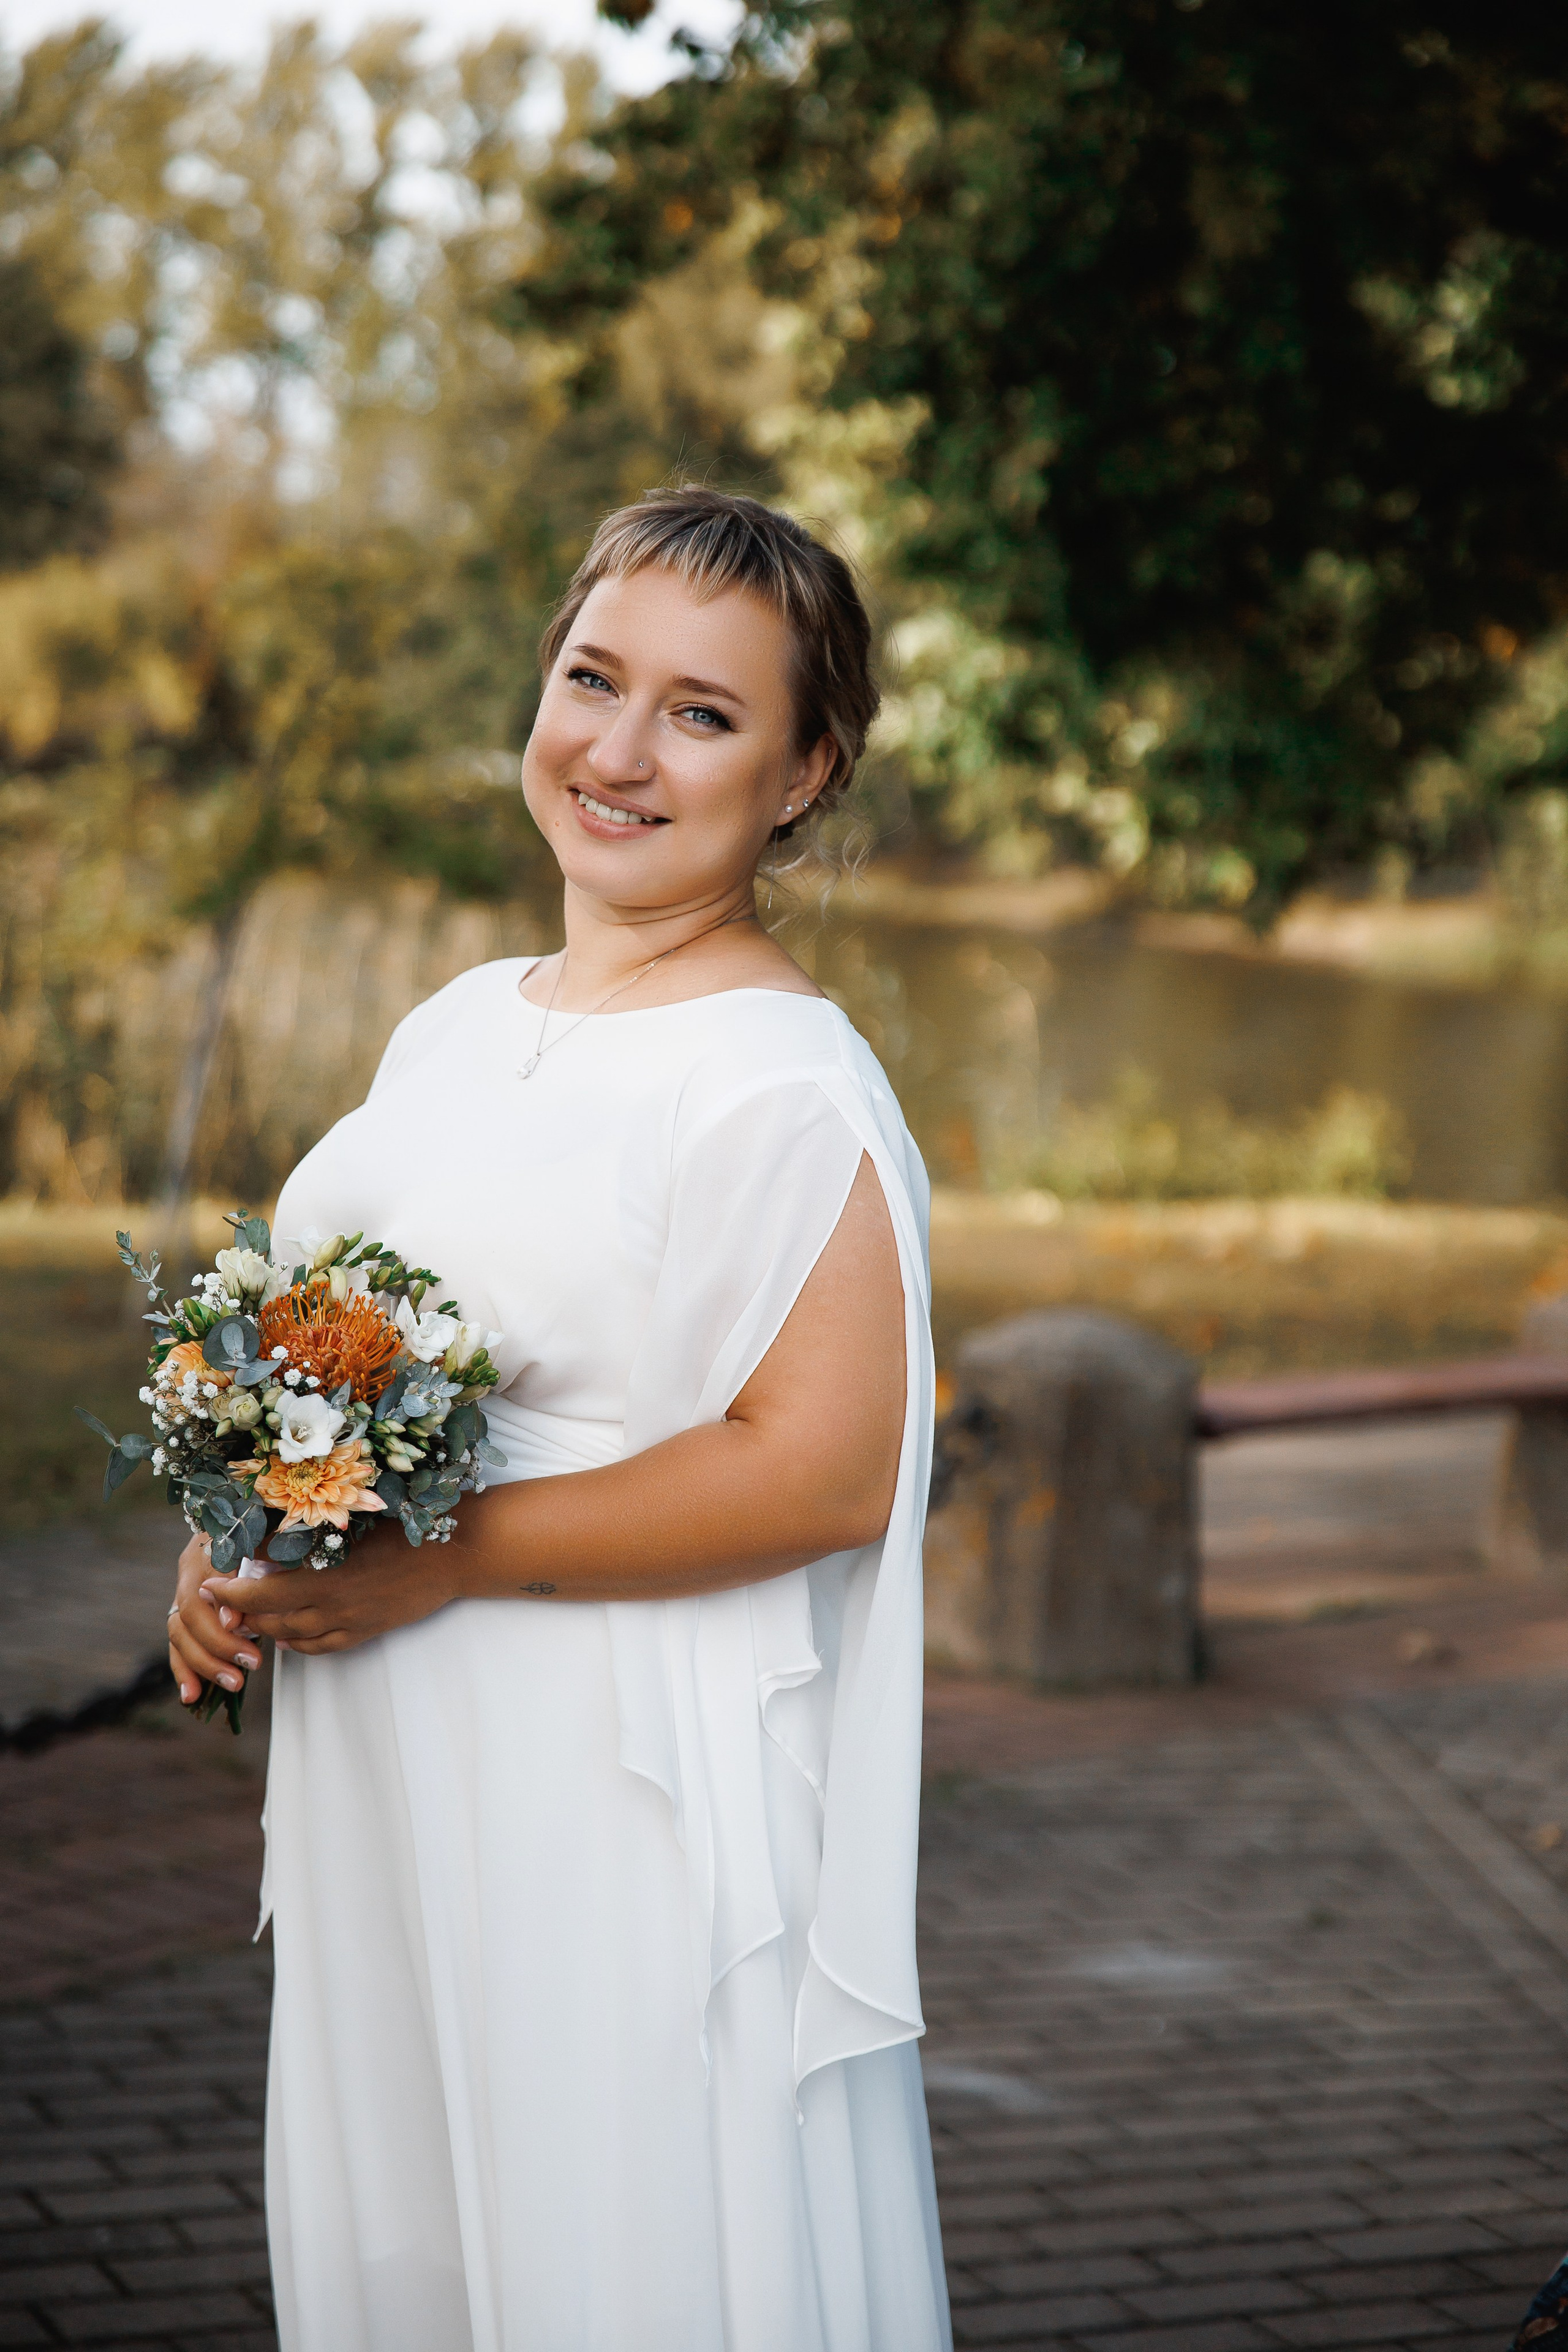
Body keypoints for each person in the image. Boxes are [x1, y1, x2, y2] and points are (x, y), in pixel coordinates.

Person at [167, 485, 953, 2352]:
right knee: (420, 2248)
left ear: (805, 771)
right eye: (593, 679)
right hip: (391, 1777)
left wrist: (441, 1568)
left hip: (609, 1798)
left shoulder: (784, 1084)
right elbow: (362, 1357)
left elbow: (825, 1469)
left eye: (701, 713)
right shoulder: (452, 1024)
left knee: (608, 2253)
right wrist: (242, 1542)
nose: (615, 751)